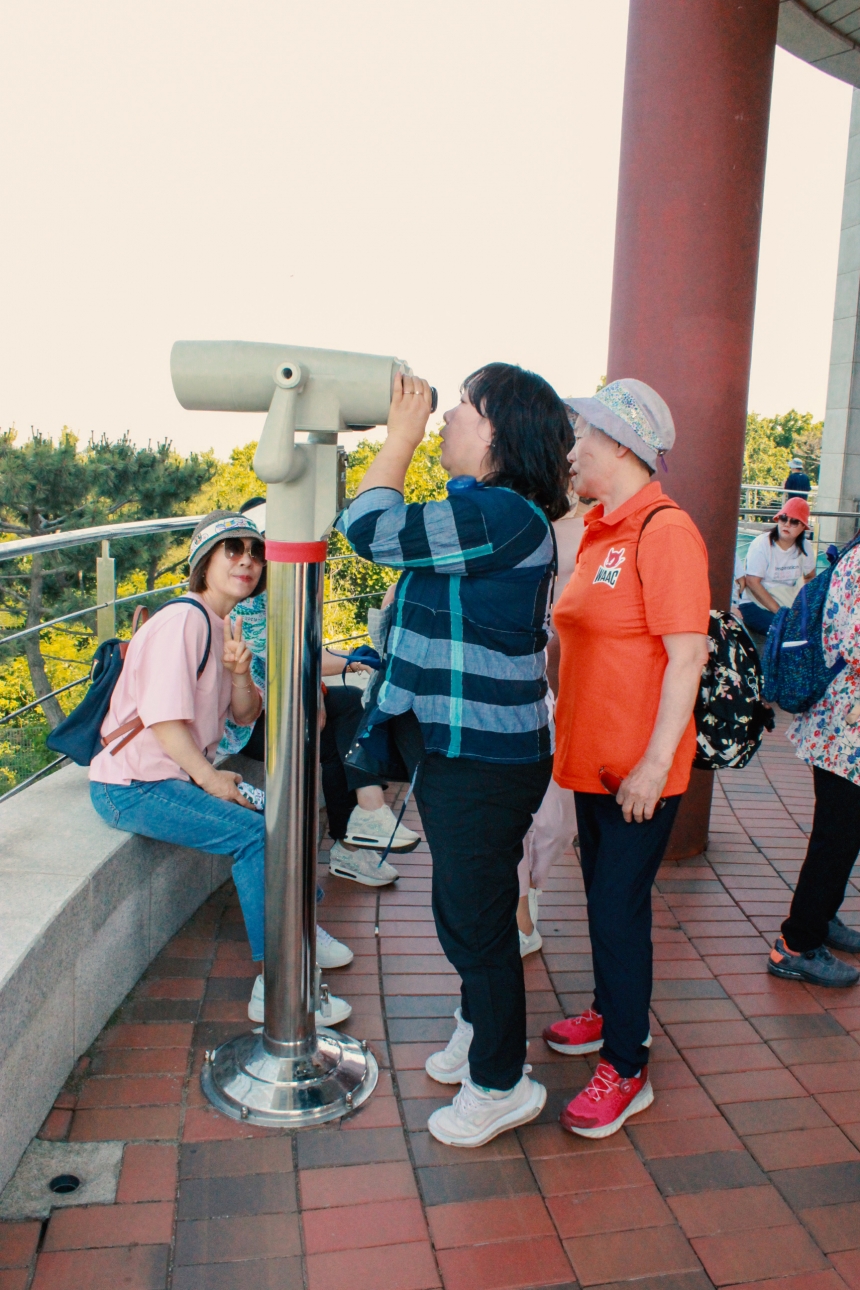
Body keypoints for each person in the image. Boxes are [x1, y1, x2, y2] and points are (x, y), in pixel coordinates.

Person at [337, 364, 571, 1148]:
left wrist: (397, 438)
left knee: (475, 921)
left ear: (501, 432)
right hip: (465, 747)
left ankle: (502, 1084)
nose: (445, 419)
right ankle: (480, 1026)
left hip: (485, 756)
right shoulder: (483, 513)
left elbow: (368, 530)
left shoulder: (502, 514)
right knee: (470, 909)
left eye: (464, 408)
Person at [88, 511, 352, 1027]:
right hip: (134, 785)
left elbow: (245, 716)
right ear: (203, 561)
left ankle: (301, 926)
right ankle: (278, 985)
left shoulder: (219, 623)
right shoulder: (182, 620)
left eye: (256, 552)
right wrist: (211, 780)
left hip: (169, 778)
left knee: (281, 824)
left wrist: (239, 674)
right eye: (233, 549)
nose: (247, 561)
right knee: (257, 836)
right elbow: (164, 720)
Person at [542, 378, 710, 1139]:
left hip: (640, 774)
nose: (572, 449)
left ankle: (627, 1062)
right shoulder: (601, 527)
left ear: (618, 443)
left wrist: (653, 763)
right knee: (605, 905)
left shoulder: (664, 531)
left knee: (617, 909)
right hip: (592, 763)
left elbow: (687, 657)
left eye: (582, 435)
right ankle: (611, 1011)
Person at [219, 502, 419, 888]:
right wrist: (335, 674)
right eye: (254, 547)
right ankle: (354, 838)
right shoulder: (249, 600)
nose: (255, 558)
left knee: (350, 713)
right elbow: (286, 659)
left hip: (276, 704)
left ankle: (363, 825)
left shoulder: (276, 590)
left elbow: (300, 655)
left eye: (260, 548)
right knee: (342, 728)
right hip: (248, 719)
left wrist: (346, 667)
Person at [768, 541, 860, 987]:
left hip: (841, 724)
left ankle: (821, 919)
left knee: (843, 833)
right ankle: (797, 943)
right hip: (845, 726)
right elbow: (852, 639)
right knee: (837, 836)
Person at [516, 497, 586, 956]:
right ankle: (520, 905)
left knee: (559, 815)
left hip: (570, 685)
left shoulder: (599, 530)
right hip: (517, 683)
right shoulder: (515, 520)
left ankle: (530, 886)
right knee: (515, 810)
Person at [739, 496, 816, 636]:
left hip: (787, 603)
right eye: (783, 518)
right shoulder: (762, 544)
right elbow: (752, 582)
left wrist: (803, 604)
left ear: (803, 527)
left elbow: (810, 577)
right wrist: (780, 612)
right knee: (785, 631)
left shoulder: (805, 547)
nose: (787, 524)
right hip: (754, 603)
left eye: (794, 521)